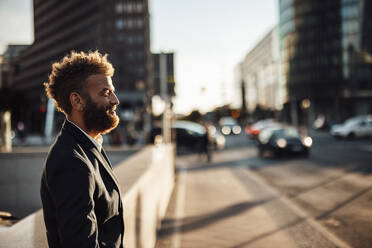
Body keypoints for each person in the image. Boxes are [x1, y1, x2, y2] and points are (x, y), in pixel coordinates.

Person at [40, 51, 124, 248]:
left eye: (112, 91)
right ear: (77, 101)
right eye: (106, 93)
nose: (115, 100)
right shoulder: (71, 161)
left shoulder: (86, 146)